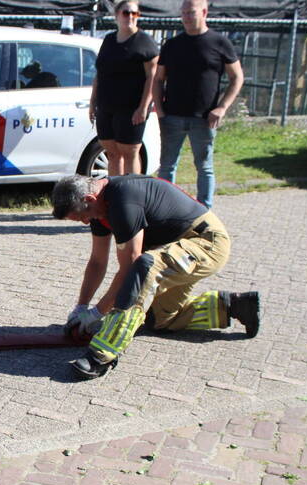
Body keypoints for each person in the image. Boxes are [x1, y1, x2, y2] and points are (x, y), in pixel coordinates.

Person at [51, 173, 260, 379]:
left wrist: (97, 313)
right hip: (176, 248)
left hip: (206, 243)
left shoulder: (123, 201)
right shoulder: (98, 206)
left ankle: (101, 356)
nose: (86, 223)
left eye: (83, 217)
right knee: (159, 320)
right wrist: (81, 307)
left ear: (89, 199)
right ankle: (233, 306)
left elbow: (130, 268)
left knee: (145, 267)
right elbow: (97, 261)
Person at [152, 0, 244, 208]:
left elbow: (237, 77)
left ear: (204, 12)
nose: (186, 17)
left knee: (204, 166)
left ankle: (204, 211)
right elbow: (158, 79)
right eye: (183, 13)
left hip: (204, 118)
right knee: (167, 166)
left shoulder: (220, 43)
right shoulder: (172, 44)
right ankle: (165, 208)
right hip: (172, 116)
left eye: (190, 13)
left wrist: (222, 107)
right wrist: (159, 109)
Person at [89, 0, 159, 176]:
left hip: (131, 109)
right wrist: (92, 103)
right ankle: (115, 193)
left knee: (130, 152)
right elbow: (100, 73)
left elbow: (153, 77)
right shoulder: (109, 40)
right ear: (117, 16)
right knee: (112, 153)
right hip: (106, 106)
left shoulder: (144, 41)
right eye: (126, 13)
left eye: (134, 13)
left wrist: (143, 108)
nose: (130, 17)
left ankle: (132, 194)